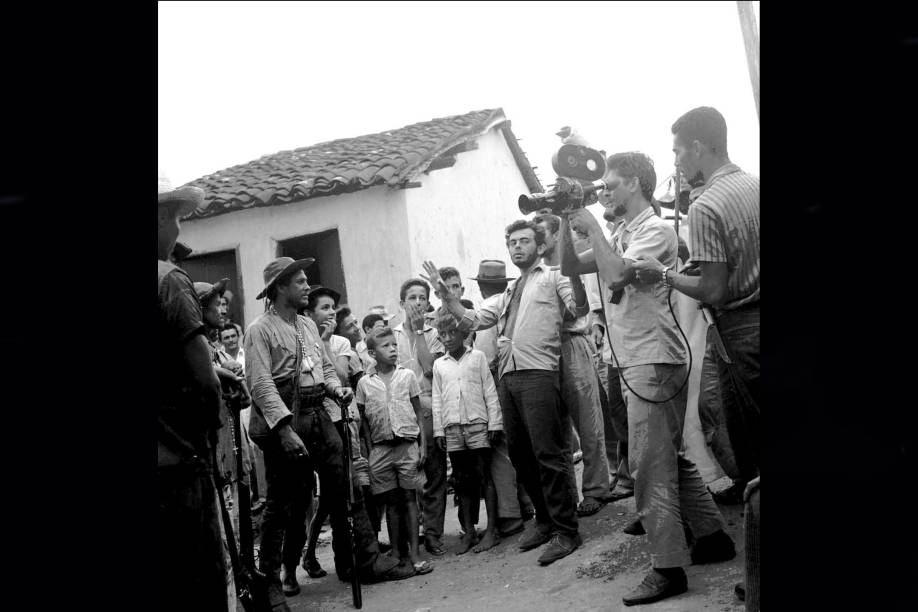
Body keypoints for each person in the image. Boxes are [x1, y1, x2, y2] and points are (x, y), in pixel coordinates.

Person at [562, 151, 734, 606]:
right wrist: (566, 220)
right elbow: (570, 267)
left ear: (636, 183)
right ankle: (712, 537)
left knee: (649, 466)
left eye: (612, 186)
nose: (605, 194)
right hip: (635, 359)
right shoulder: (620, 232)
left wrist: (592, 226)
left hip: (653, 360)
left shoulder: (655, 230)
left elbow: (615, 273)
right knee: (668, 458)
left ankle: (668, 567)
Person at [632, 106, 760, 606]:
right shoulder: (751, 184)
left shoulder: (706, 205)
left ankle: (759, 583)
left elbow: (712, 287)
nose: (677, 160)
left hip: (741, 334)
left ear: (699, 147)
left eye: (679, 150)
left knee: (753, 467)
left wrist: (662, 275)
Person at [244, 257, 410, 609]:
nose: (307, 286)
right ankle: (271, 582)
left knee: (346, 488)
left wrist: (336, 389)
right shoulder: (260, 329)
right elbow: (260, 385)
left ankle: (365, 561)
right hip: (287, 423)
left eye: (306, 281)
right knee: (284, 504)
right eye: (300, 282)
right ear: (280, 289)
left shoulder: (306, 325)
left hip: (320, 413)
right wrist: (285, 430)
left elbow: (323, 369)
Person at [423, 218, 589, 566]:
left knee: (547, 453)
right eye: (512, 241)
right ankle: (543, 520)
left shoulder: (555, 276)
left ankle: (566, 529)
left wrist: (574, 270)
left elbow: (579, 309)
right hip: (509, 378)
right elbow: (472, 321)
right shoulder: (508, 292)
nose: (517, 247)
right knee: (522, 454)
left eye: (524, 241)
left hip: (540, 373)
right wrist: (445, 294)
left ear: (540, 247)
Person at [157, 172, 228, 612]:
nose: (179, 228)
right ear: (163, 217)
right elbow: (205, 380)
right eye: (177, 218)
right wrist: (210, 438)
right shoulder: (169, 279)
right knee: (198, 582)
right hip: (177, 464)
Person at [533, 213, 612, 517]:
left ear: (556, 235)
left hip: (573, 340)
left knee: (588, 420)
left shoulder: (574, 263)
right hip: (546, 349)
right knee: (559, 428)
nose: (538, 240)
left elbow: (585, 305)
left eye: (542, 233)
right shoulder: (537, 271)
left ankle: (596, 489)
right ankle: (567, 494)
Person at [297, 286, 370, 583]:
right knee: (318, 496)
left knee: (337, 494)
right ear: (309, 313)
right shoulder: (299, 338)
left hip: (338, 420)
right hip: (311, 422)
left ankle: (343, 560)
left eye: (333, 308)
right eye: (324, 308)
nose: (330, 313)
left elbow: (339, 376)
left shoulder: (340, 342)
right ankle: (307, 552)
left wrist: (325, 341)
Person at [356, 327, 434, 576]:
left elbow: (419, 412)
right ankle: (397, 553)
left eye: (394, 344)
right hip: (380, 451)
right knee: (390, 502)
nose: (392, 349)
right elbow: (364, 423)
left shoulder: (407, 376)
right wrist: (370, 452)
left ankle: (415, 552)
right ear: (371, 353)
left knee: (410, 499)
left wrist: (421, 444)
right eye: (385, 346)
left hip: (406, 446)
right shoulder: (364, 383)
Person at [470, 261, 533, 535]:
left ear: (481, 285)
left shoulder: (488, 309)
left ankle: (510, 513)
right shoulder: (511, 300)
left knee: (500, 448)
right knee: (520, 443)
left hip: (497, 380)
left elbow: (485, 356)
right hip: (518, 372)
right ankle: (527, 503)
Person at [431, 312, 503, 554]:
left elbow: (489, 390)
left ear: (464, 333)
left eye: (453, 332)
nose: (448, 338)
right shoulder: (440, 364)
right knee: (461, 480)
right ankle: (470, 531)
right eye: (443, 334)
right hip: (452, 427)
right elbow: (437, 399)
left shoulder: (478, 357)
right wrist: (439, 430)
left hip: (477, 424)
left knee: (485, 477)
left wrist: (494, 423)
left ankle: (492, 530)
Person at [391, 279, 447, 556]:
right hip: (400, 412)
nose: (416, 302)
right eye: (411, 297)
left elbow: (429, 369)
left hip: (427, 406)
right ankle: (410, 537)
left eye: (422, 298)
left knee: (435, 471)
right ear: (402, 303)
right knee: (408, 476)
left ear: (427, 303)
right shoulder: (391, 336)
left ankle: (434, 534)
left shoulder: (434, 334)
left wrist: (418, 333)